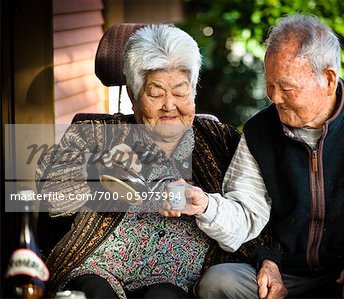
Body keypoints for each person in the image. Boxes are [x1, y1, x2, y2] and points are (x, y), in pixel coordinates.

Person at [165, 14, 344, 299]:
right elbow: (245, 215)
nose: (274, 98)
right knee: (218, 282)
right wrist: (205, 205)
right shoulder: (259, 132)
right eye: (270, 85)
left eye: (286, 88)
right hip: (284, 274)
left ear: (328, 79)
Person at [36, 24, 275, 299]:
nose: (169, 105)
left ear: (194, 91)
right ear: (133, 95)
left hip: (181, 282)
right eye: (156, 93)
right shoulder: (93, 133)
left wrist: (267, 258)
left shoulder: (221, 140)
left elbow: (256, 214)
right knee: (92, 292)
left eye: (180, 91)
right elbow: (49, 193)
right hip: (98, 270)